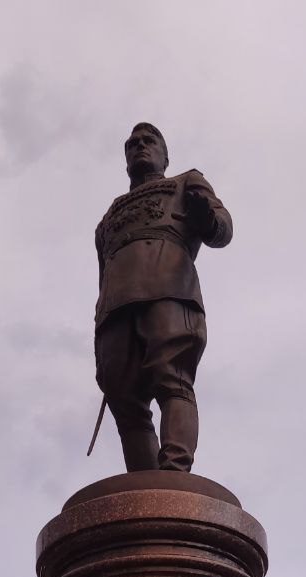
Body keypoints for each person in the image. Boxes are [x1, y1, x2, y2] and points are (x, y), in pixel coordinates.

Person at [92, 123, 233, 472]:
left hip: (168, 291)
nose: (140, 146)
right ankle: (144, 486)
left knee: (172, 378)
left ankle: (174, 475)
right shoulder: (108, 217)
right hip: (115, 309)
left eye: (149, 141)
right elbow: (103, 274)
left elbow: (223, 230)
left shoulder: (186, 182)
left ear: (165, 156)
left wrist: (208, 219)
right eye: (132, 144)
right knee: (123, 399)